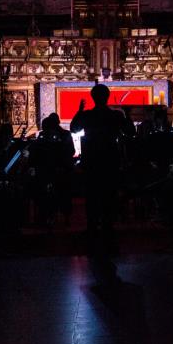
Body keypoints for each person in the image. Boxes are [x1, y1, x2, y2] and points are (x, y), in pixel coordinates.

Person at [70, 83, 135, 252]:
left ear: (93, 97)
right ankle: (108, 229)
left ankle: (92, 229)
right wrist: (127, 114)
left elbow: (73, 128)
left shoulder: (88, 115)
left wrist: (79, 111)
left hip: (92, 160)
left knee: (92, 198)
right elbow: (130, 132)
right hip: (109, 160)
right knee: (109, 197)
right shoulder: (114, 115)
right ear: (107, 97)